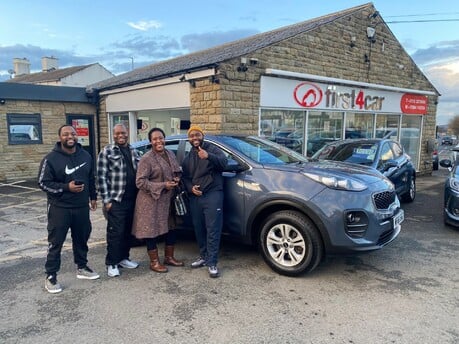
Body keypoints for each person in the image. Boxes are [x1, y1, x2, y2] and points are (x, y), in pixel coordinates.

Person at [38, 125, 99, 294]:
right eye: (65, 134)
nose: (70, 136)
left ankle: (82, 267)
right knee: (55, 242)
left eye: (72, 133)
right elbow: (43, 183)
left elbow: (90, 178)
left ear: (76, 136)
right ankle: (51, 275)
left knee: (81, 238)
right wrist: (66, 187)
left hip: (81, 207)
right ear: (60, 137)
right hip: (60, 208)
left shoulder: (85, 155)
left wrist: (93, 197)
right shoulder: (50, 159)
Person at [131, 127, 184, 273]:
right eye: (155, 139)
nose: (158, 141)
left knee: (171, 227)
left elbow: (176, 170)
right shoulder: (146, 158)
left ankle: (169, 257)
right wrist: (163, 185)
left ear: (164, 139)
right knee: (151, 230)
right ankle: (154, 262)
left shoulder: (170, 154)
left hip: (167, 199)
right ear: (150, 141)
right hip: (150, 201)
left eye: (160, 138)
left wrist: (176, 178)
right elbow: (140, 182)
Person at [181, 125, 227, 278]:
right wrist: (190, 188)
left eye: (197, 135)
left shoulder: (212, 149)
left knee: (212, 228)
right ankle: (203, 256)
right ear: (189, 139)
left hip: (213, 194)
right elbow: (185, 177)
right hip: (196, 196)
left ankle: (212, 262)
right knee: (199, 228)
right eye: (191, 136)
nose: (195, 138)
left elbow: (224, 163)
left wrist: (208, 156)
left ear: (202, 135)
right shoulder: (188, 157)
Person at [97, 123, 140, 278]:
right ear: (113, 135)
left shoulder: (133, 150)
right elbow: (101, 177)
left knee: (128, 232)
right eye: (117, 133)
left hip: (132, 199)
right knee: (115, 233)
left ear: (127, 133)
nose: (120, 135)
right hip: (116, 200)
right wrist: (106, 200)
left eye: (123, 132)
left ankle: (123, 258)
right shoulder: (107, 151)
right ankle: (112, 263)